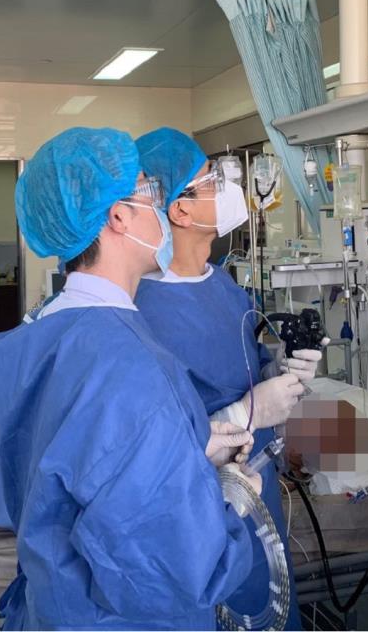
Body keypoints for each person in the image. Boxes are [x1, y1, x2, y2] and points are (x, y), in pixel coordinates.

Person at [0, 127, 259, 630]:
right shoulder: (129, 364)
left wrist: (185, 449)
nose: (162, 207)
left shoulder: (33, 339)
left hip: (51, 610)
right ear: (119, 217)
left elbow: (73, 468)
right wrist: (233, 496)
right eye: (151, 190)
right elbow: (177, 568)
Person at [135, 127, 323, 630]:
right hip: (204, 506)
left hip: (258, 494)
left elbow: (243, 367)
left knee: (270, 607)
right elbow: (151, 445)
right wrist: (247, 410)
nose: (226, 188)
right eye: (212, 180)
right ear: (180, 209)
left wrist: (282, 372)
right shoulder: (143, 309)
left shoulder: (221, 282)